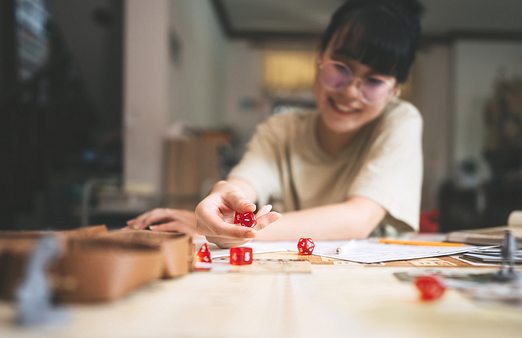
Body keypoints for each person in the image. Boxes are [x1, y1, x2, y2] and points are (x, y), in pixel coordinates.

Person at [127, 0, 425, 247]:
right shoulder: (280, 129)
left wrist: (217, 229)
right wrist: (223, 196)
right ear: (320, 56)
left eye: (373, 81)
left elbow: (358, 219)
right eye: (341, 68)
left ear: (394, 90)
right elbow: (244, 184)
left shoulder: (400, 121)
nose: (349, 91)